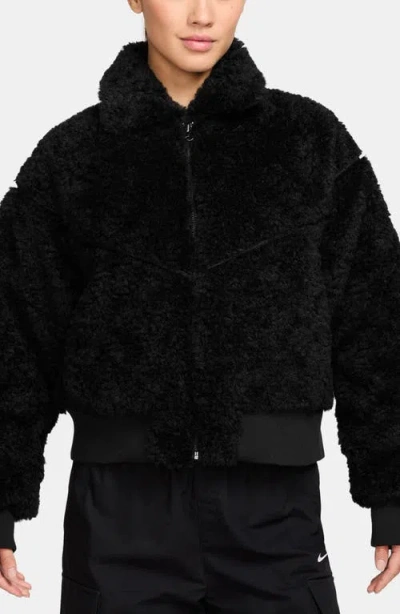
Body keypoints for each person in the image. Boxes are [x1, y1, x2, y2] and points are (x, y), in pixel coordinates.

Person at [1, 0, 400, 610]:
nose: (203, 13)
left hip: (273, 515)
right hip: (119, 519)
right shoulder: (73, 157)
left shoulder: (310, 143)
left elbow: (375, 321)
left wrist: (392, 491)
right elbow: (16, 333)